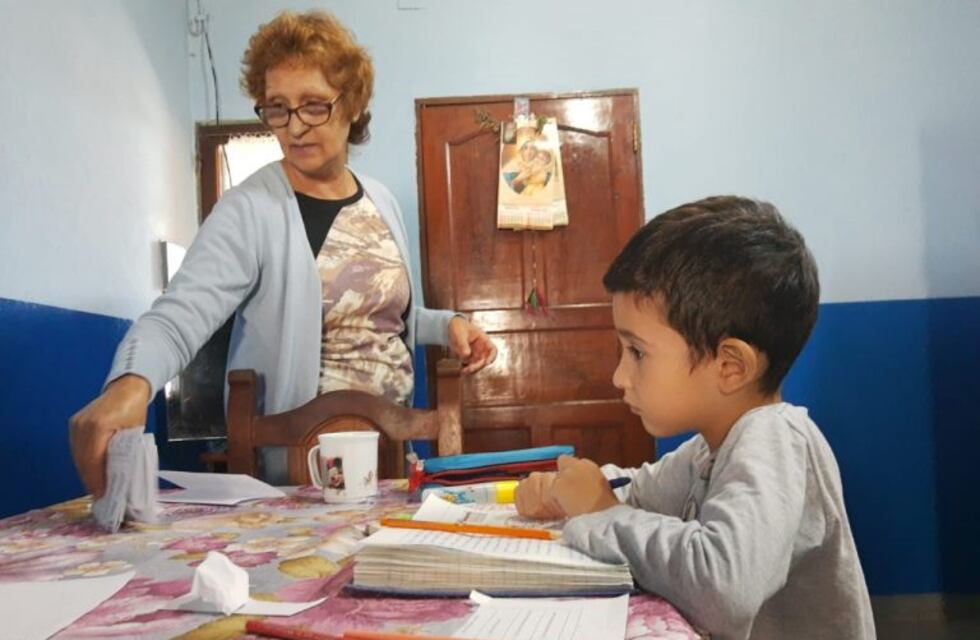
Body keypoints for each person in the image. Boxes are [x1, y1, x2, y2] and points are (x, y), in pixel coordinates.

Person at [69, 10, 496, 494]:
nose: (294, 127)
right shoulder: (250, 209)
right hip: (302, 473)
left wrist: (445, 324)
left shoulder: (382, 201)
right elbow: (178, 315)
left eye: (314, 105)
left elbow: (377, 313)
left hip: (390, 460)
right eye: (278, 107)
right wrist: (130, 384)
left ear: (352, 104)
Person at [515, 197, 875, 639]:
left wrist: (600, 512)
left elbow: (725, 588)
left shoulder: (776, 442)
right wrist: (565, 489)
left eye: (637, 352)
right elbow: (640, 491)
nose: (619, 376)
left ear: (730, 367)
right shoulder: (709, 450)